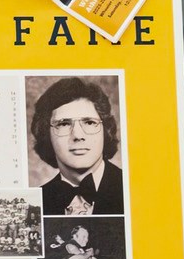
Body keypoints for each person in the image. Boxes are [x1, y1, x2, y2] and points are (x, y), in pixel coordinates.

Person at [30, 76, 124, 215]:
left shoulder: (131, 188)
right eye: (63, 124)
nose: (78, 136)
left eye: (90, 122)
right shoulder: (35, 202)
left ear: (106, 130)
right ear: (46, 134)